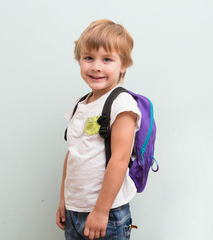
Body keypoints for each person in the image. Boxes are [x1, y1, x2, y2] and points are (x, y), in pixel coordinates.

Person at [56, 19, 141, 240]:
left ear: (124, 64)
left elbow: (120, 160)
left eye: (107, 59)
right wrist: (65, 199)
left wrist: (102, 211)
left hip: (108, 213)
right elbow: (73, 153)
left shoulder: (121, 104)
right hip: (75, 211)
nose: (96, 66)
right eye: (88, 58)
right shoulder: (80, 104)